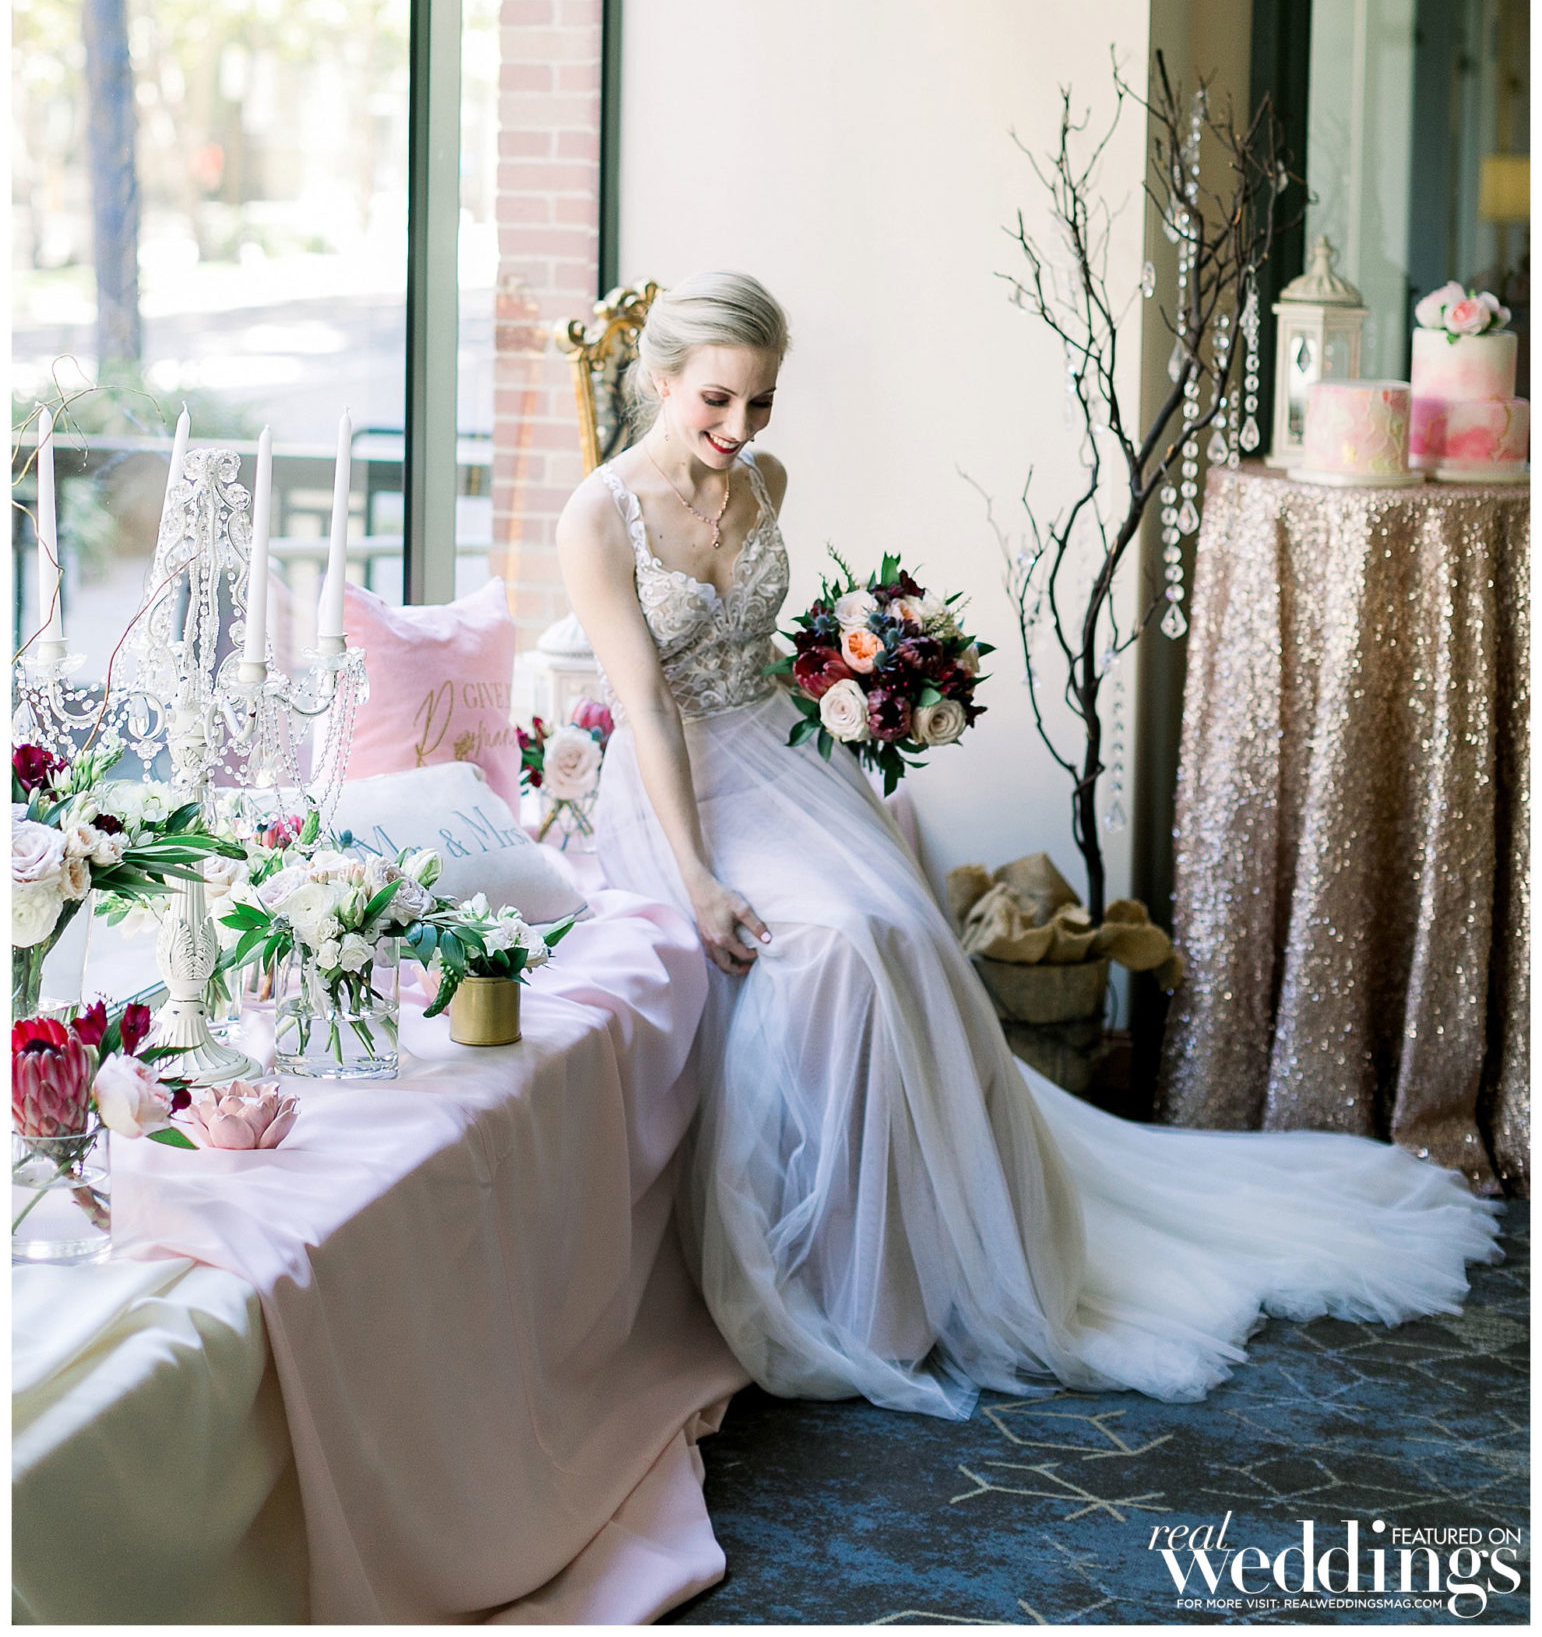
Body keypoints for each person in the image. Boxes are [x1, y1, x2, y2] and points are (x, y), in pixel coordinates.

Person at [556, 270, 1501, 1421]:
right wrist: (699, 876)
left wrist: (871, 679)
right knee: (841, 944)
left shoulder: (766, 478)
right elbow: (649, 707)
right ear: (660, 377)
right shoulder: (597, 517)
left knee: (903, 930)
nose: (740, 426)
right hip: (684, 788)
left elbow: (767, 651)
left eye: (761, 401)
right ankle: (825, 1288)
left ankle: (912, 1272)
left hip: (785, 758)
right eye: (717, 399)